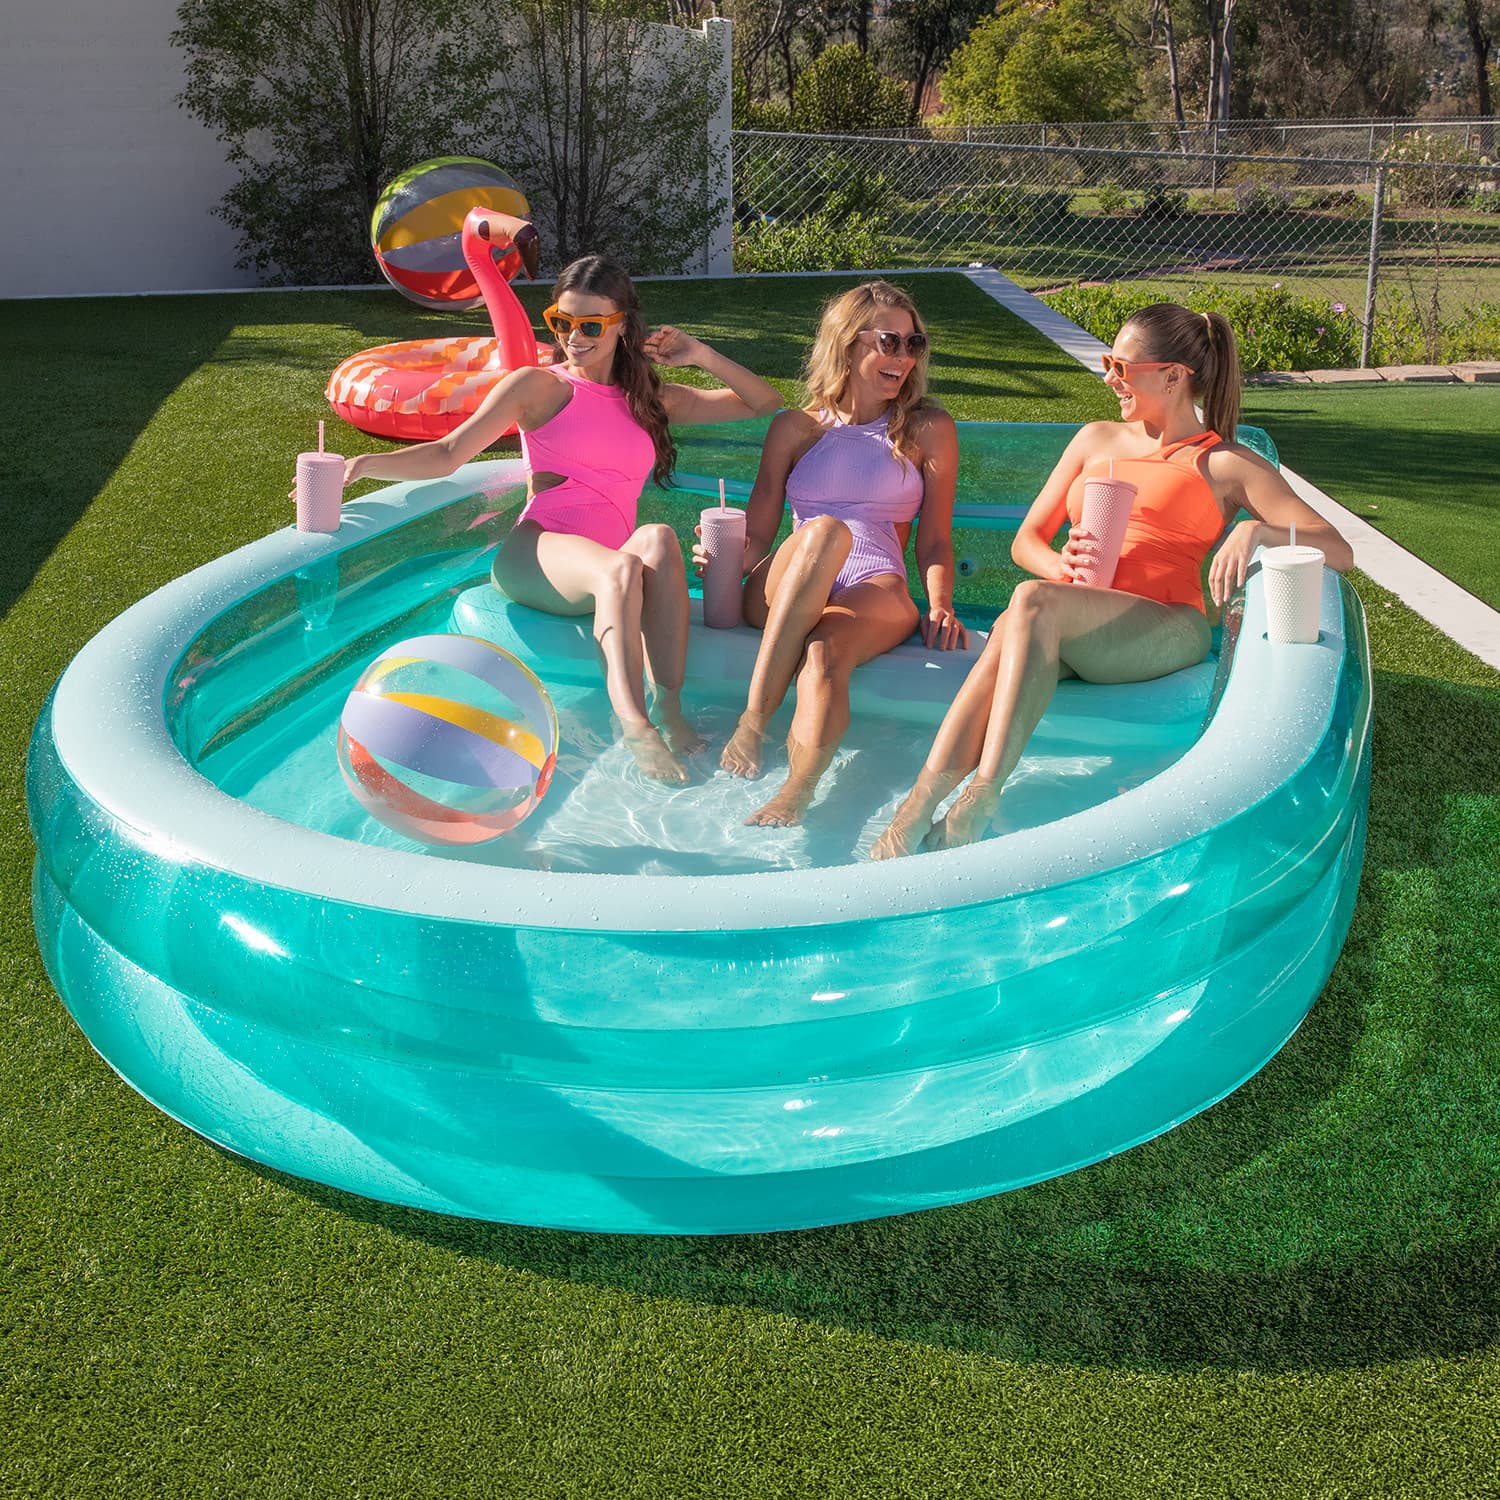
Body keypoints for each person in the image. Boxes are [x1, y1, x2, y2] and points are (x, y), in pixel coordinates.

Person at [870, 301, 1355, 859]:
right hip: (1078, 616)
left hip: (1169, 625)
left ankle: (978, 799)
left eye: (1121, 367)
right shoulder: (1094, 440)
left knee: (1024, 608)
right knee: (1013, 625)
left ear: (1174, 376)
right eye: (1108, 361)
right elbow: (1027, 541)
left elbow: (1337, 549)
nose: (1108, 377)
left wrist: (1258, 535)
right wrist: (1061, 566)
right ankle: (915, 808)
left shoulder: (1224, 463)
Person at [337, 232, 783, 783]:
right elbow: (450, 453)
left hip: (603, 563)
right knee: (621, 566)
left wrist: (699, 354)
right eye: (562, 322)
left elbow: (765, 403)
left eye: (591, 325)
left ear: (624, 325)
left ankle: (669, 708)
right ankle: (635, 726)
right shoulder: (538, 388)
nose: (574, 338)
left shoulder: (651, 400)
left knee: (660, 537)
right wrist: (358, 466)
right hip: (538, 555)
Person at [705, 280, 968, 827]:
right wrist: (722, 558)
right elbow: (757, 534)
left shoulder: (927, 429)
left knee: (825, 658)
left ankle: (796, 793)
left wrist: (940, 602)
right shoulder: (795, 428)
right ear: (848, 343)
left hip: (875, 588)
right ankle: (754, 721)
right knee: (824, 532)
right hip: (791, 580)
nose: (904, 357)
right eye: (888, 342)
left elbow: (936, 538)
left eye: (914, 344)